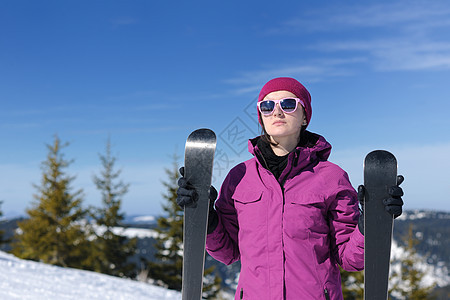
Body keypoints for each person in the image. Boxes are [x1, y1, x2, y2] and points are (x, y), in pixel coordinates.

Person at [177, 77, 404, 300]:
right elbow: (228, 253)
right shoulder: (239, 177)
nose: (276, 112)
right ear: (261, 117)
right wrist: (207, 220)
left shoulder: (331, 177)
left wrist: (370, 225)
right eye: (267, 106)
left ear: (305, 115)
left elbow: (349, 259)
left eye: (288, 104)